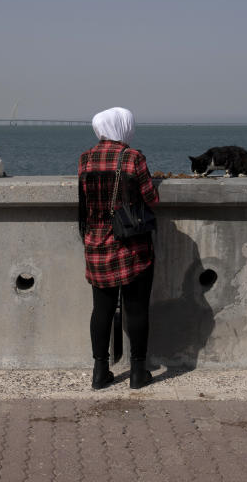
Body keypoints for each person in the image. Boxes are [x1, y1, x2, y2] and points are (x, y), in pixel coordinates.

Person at [78, 107, 160, 389]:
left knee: (101, 310)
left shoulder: (85, 159)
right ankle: (138, 374)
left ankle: (99, 373)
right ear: (123, 127)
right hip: (131, 246)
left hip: (96, 244)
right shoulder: (132, 158)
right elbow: (152, 198)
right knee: (136, 309)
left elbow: (86, 202)